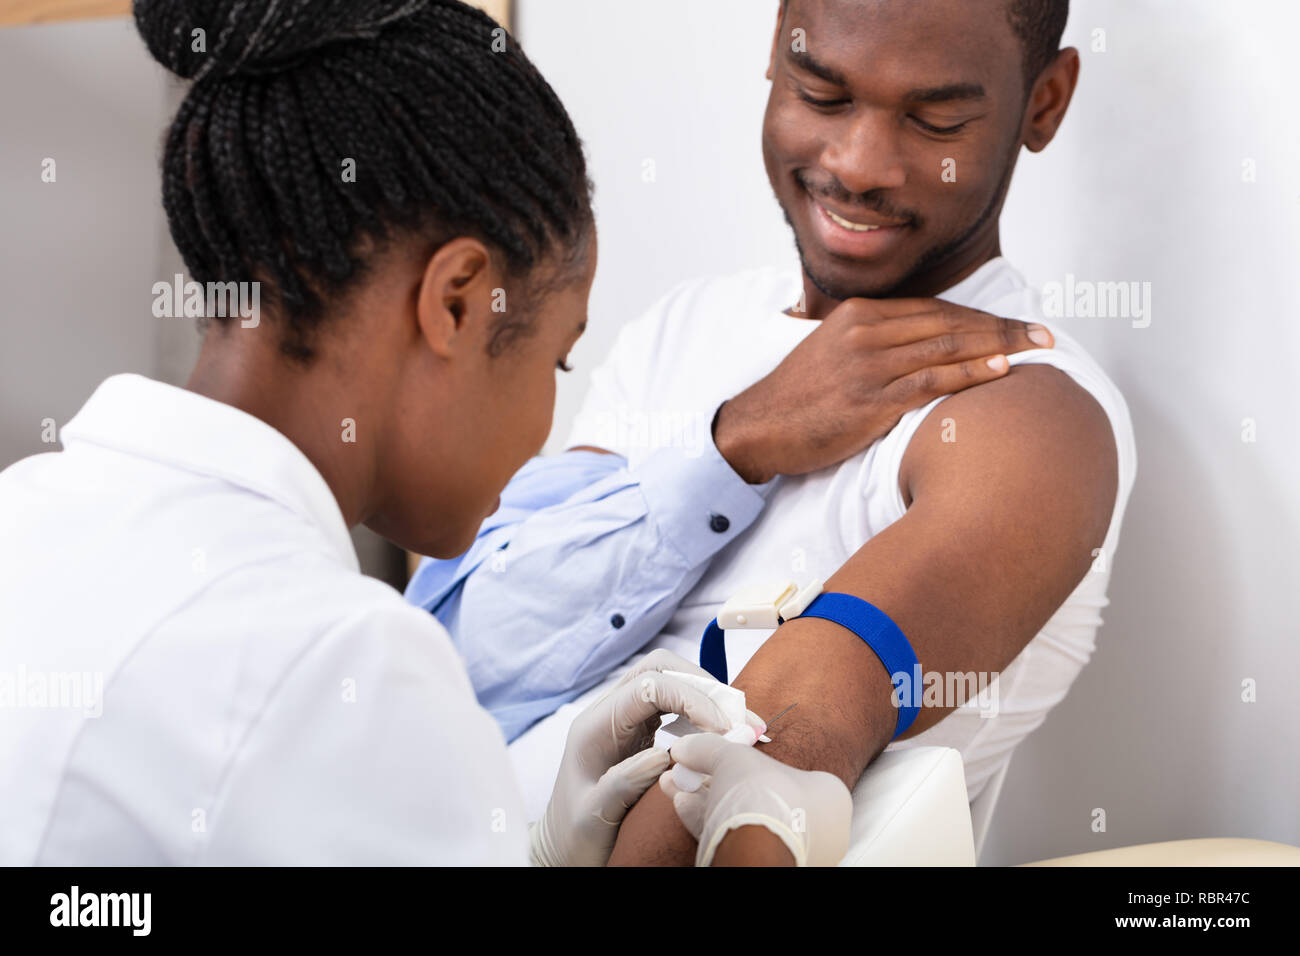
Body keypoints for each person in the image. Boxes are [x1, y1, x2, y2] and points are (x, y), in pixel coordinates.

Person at [0, 0, 852, 868]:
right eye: (558, 363)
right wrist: (767, 830)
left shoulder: (23, 517)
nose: (544, 431)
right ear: (455, 303)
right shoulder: (347, 663)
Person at [407, 0, 1138, 865]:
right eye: (822, 94)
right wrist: (737, 441)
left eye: (935, 118)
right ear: (775, 55)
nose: (860, 165)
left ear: (1043, 104)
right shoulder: (684, 328)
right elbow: (456, 665)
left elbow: (760, 763)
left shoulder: (1027, 412)